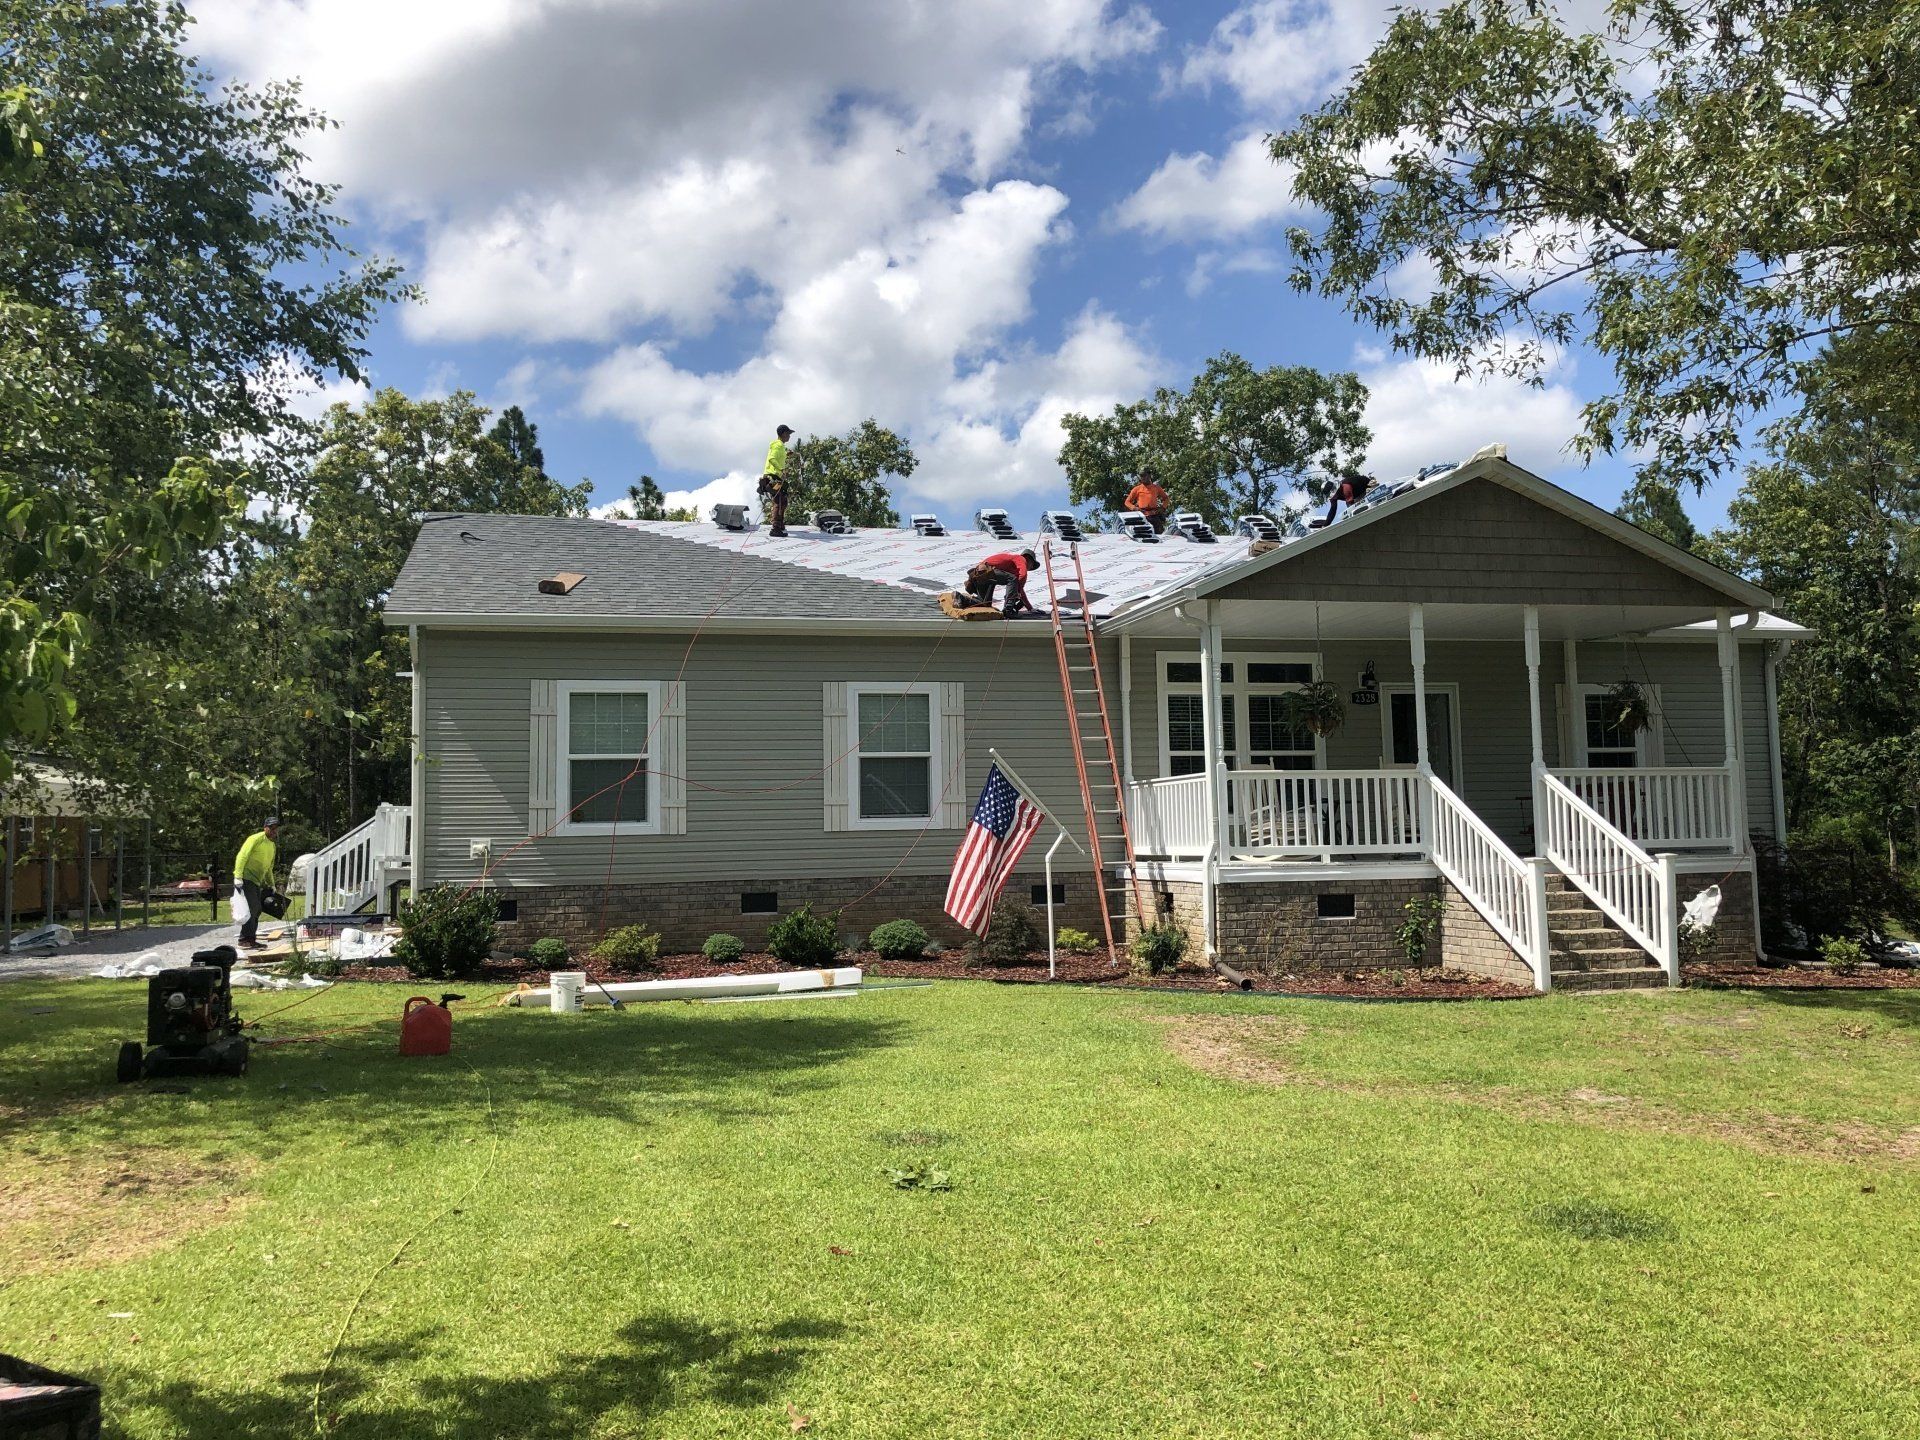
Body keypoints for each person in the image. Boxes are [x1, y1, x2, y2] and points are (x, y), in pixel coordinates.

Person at [232, 817, 279, 951]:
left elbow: (269, 867)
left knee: (257, 909)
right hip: (246, 878)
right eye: (271, 828)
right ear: (265, 828)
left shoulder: (272, 846)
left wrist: (271, 884)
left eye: (275, 828)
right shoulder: (255, 839)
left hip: (257, 881)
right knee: (253, 908)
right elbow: (242, 856)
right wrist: (238, 876)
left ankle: (250, 939)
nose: (273, 831)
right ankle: (244, 939)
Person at [964, 548, 1040, 617]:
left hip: (978, 575)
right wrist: (1016, 594)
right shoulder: (1021, 558)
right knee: (1012, 579)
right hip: (987, 571)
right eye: (1032, 565)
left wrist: (1030, 608)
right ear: (1029, 559)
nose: (1030, 568)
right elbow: (1023, 575)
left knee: (984, 604)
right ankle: (1008, 610)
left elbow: (1019, 587)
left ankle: (962, 600)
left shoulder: (1011, 569)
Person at [757, 424, 795, 537]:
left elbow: (777, 457)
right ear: (783, 434)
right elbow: (772, 459)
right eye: (788, 434)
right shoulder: (778, 445)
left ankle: (779, 524)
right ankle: (776, 528)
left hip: (773, 478)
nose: (789, 436)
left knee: (781, 500)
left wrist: (786, 454)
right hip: (774, 478)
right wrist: (781, 469)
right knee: (779, 500)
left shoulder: (780, 446)